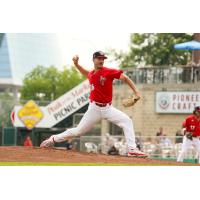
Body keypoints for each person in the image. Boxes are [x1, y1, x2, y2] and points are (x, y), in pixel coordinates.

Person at [40, 51, 147, 158]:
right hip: (94, 109)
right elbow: (85, 72)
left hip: (108, 109)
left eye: (103, 59)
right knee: (78, 131)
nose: (101, 60)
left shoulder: (109, 72)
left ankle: (132, 149)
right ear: (93, 60)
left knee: (126, 121)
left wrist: (136, 92)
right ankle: (53, 139)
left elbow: (125, 78)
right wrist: (76, 64)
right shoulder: (91, 74)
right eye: (99, 58)